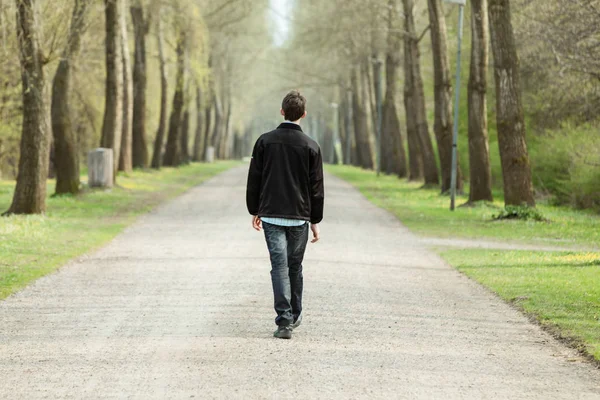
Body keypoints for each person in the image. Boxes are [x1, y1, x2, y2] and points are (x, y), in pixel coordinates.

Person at [246, 90, 325, 340]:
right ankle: (295, 313)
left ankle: (284, 321)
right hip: (300, 217)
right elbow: (316, 187)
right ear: (303, 114)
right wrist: (315, 220)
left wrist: (255, 209)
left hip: (271, 215)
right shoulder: (311, 146)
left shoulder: (264, 141)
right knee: (294, 266)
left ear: (282, 111)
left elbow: (254, 179)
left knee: (278, 267)